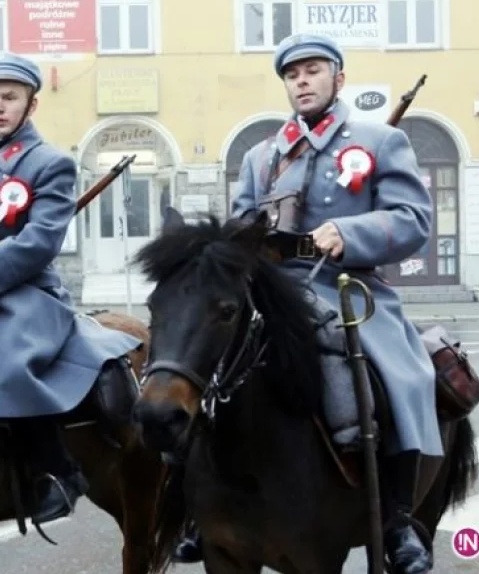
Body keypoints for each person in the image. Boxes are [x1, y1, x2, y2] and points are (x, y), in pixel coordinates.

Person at [172, 34, 440, 574]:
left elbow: (414, 221)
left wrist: (350, 230)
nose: (302, 80)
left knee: (401, 376)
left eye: (313, 70)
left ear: (338, 78)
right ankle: (200, 506)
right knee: (202, 362)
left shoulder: (378, 142)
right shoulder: (261, 156)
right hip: (271, 286)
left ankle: (397, 519)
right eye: (293, 74)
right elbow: (241, 231)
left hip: (348, 286)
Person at [0, 51, 142, 525]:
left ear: (31, 105)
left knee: (12, 358)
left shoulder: (49, 163)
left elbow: (38, 243)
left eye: (10, 98)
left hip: (25, 291)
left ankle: (57, 470)